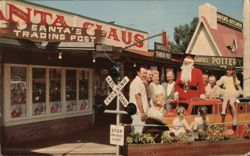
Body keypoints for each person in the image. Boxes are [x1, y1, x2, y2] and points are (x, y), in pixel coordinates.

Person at [129, 66, 149, 134]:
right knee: (137, 133)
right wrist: (142, 112)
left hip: (137, 112)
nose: (145, 75)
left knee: (136, 133)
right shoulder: (137, 82)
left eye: (146, 73)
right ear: (138, 73)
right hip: (138, 113)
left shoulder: (139, 82)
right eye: (143, 73)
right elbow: (138, 97)